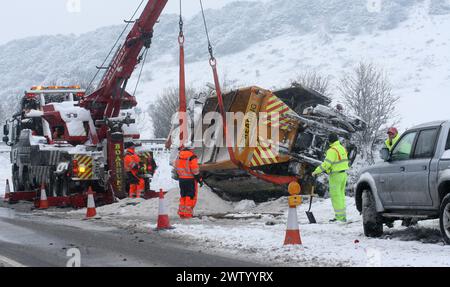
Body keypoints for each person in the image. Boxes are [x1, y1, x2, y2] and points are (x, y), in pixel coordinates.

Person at [312, 133, 349, 223]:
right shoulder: (342, 148)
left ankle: (340, 218)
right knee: (341, 196)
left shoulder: (332, 150)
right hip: (343, 174)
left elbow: (326, 164)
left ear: (329, 141)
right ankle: (342, 216)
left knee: (336, 196)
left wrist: (316, 171)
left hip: (335, 176)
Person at [175, 145, 203, 219]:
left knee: (183, 196)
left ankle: (182, 213)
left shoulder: (179, 155)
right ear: (191, 149)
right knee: (190, 196)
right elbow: (195, 170)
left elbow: (176, 166)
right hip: (190, 179)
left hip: (181, 179)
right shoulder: (192, 157)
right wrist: (199, 179)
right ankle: (188, 214)